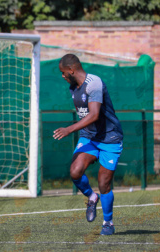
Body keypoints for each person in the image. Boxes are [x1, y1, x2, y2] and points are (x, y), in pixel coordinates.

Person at [53, 54, 123, 235]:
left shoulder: (94, 83)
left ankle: (108, 222)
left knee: (104, 182)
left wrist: (69, 129)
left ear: (71, 70)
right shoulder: (72, 87)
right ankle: (92, 197)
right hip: (89, 137)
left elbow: (94, 115)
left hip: (110, 138)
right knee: (75, 171)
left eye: (63, 72)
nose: (62, 76)